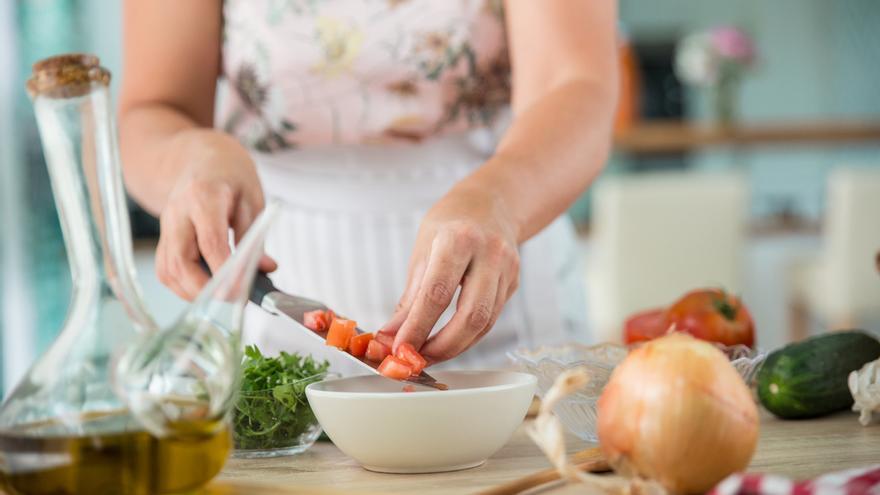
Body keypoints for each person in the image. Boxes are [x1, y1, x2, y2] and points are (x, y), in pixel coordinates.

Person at [119, 0, 618, 373]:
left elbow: (575, 85)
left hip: (509, 308)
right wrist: (193, 159)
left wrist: (498, 200)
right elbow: (152, 111)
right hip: (277, 315)